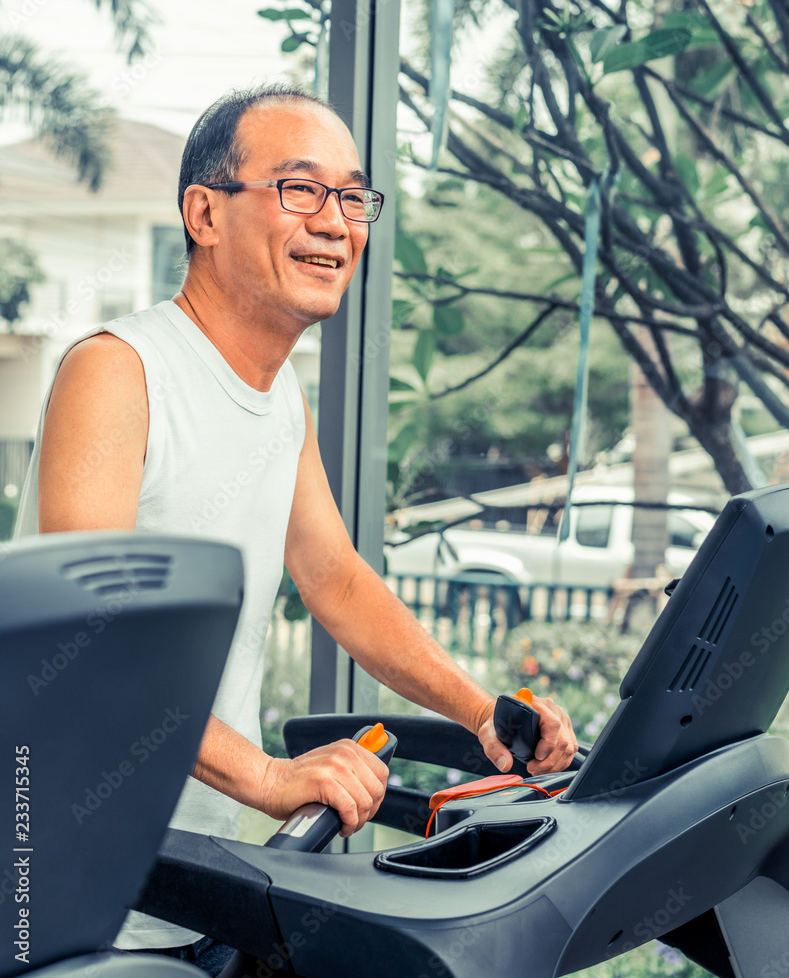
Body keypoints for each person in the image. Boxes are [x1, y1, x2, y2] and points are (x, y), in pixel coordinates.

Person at [14, 83, 578, 975]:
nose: (335, 221)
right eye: (298, 189)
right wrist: (269, 779)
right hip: (57, 884)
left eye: (352, 197)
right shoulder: (118, 371)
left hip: (187, 870)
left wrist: (481, 714)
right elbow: (95, 644)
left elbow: (335, 579)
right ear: (204, 211)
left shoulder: (279, 398)